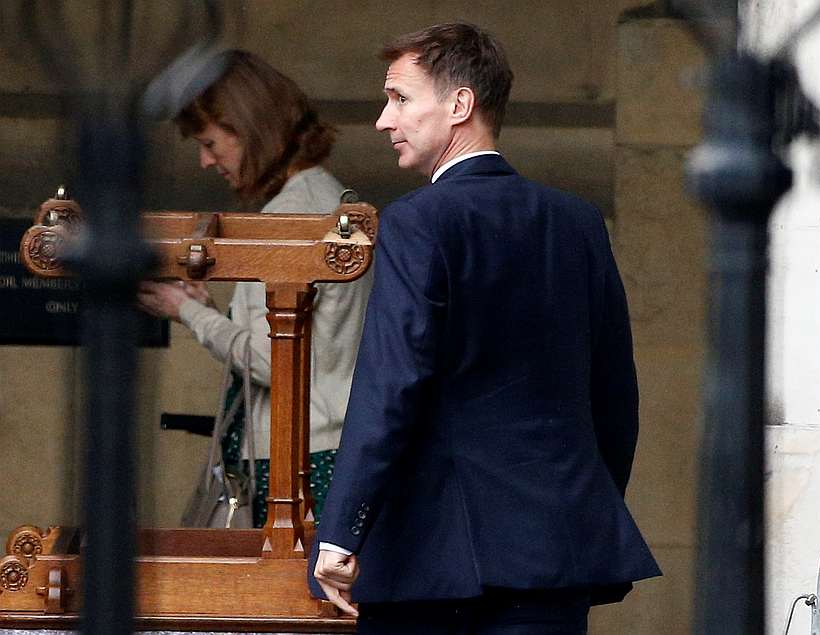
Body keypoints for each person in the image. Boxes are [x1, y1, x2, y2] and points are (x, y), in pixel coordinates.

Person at [309, 22, 660, 633]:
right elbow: (614, 396)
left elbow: (391, 386)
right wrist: (579, 508)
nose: (382, 121)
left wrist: (342, 531)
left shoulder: (418, 222)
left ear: (460, 105)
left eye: (399, 98)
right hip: (555, 550)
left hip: (433, 559)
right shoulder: (576, 223)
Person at [138, 50, 372, 528]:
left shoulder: (286, 219)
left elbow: (272, 360)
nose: (205, 161)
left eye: (209, 143)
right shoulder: (333, 198)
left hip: (300, 455)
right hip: (336, 446)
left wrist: (189, 313)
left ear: (247, 129)